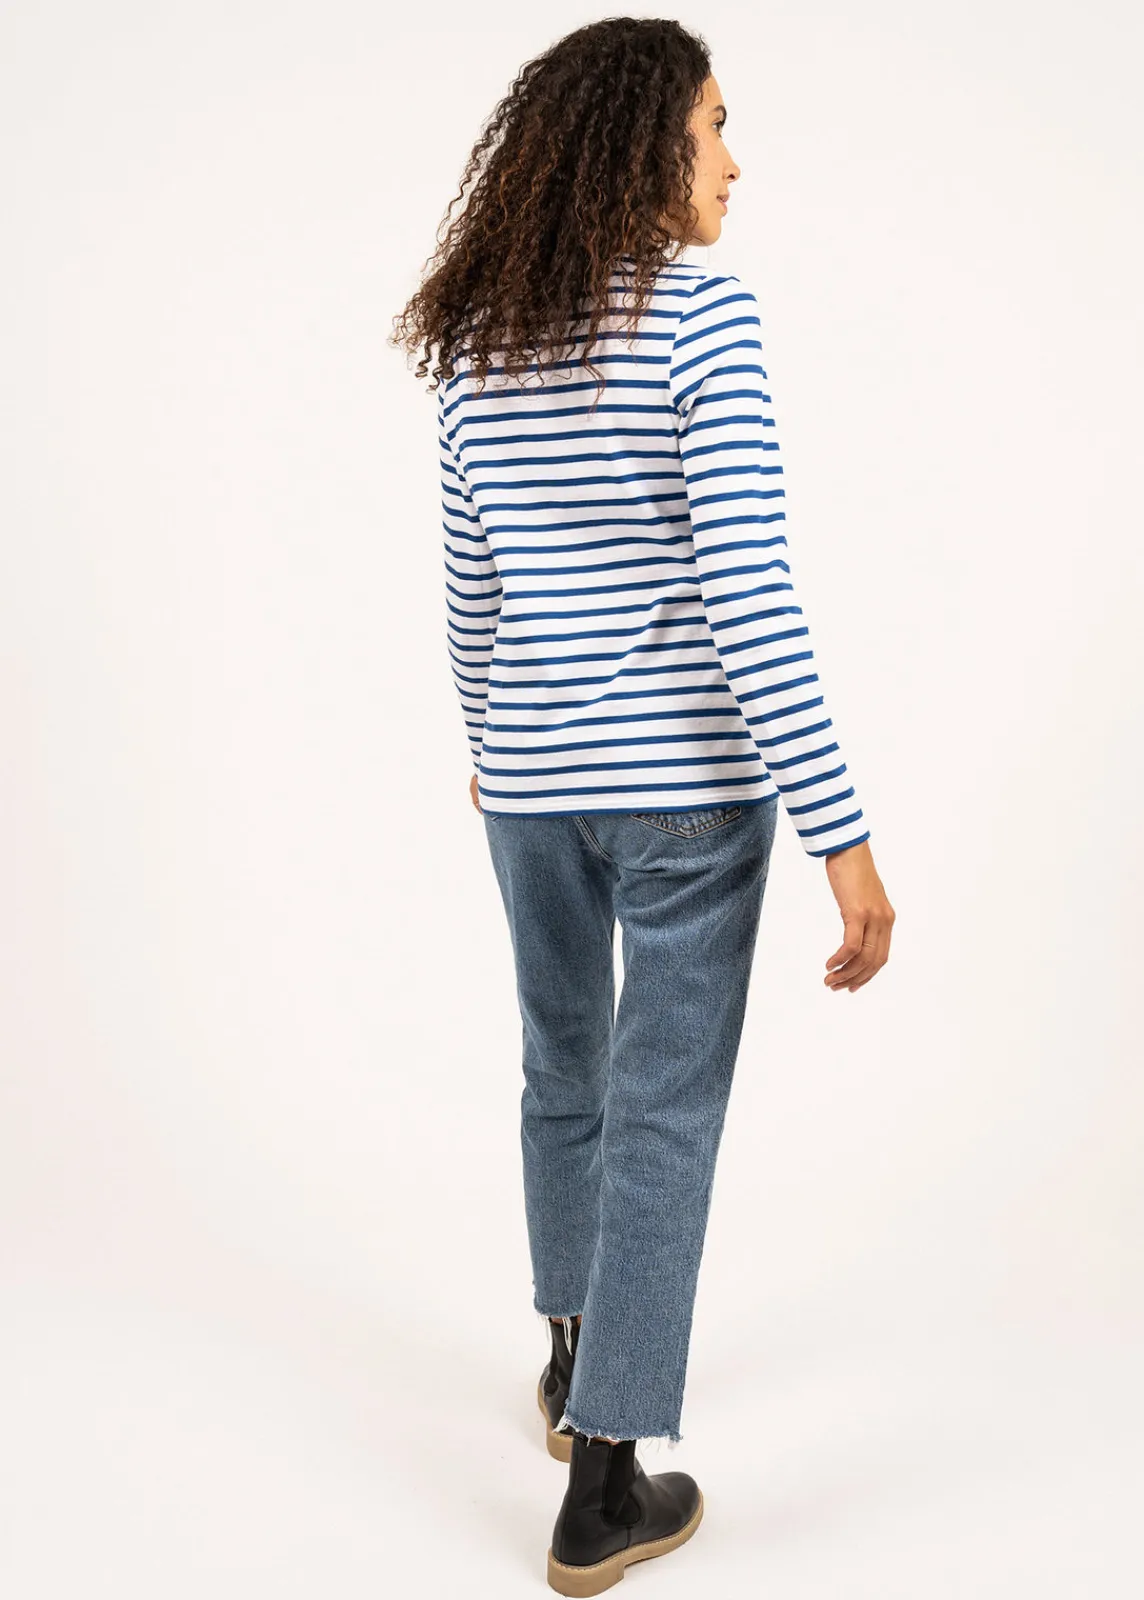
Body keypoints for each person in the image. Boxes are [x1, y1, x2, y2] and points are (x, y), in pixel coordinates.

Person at [391, 17, 895, 1594]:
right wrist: (845, 837)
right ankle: (606, 1487)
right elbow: (750, 588)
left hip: (531, 788)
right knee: (662, 1116)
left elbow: (472, 588)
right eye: (714, 126)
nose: (734, 162)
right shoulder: (702, 316)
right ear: (640, 147)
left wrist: (495, 743)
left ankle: (568, 1362)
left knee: (564, 1070)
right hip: (685, 795)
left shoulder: (482, 338)